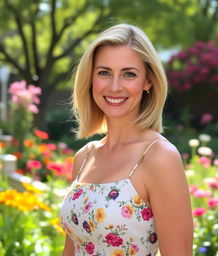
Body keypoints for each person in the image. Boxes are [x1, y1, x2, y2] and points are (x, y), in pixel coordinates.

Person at [59, 23, 193, 256]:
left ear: (148, 81)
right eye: (104, 72)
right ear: (91, 79)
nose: (114, 86)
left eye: (128, 74)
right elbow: (71, 248)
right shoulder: (85, 157)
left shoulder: (159, 157)